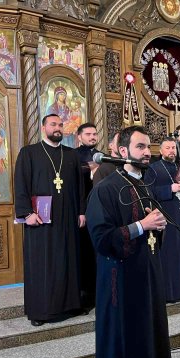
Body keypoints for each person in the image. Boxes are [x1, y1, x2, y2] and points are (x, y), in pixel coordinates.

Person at [85, 126, 173, 358]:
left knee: (150, 332)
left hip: (148, 274)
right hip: (120, 280)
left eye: (148, 147)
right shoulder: (105, 189)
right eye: (140, 147)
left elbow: (152, 229)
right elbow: (102, 239)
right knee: (125, 338)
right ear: (123, 151)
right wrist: (142, 226)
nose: (147, 152)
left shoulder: (146, 186)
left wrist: (159, 226)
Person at [14, 114, 85, 326]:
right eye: (53, 124)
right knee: (42, 264)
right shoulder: (29, 153)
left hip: (68, 216)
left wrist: (82, 211)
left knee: (68, 260)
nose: (58, 128)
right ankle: (40, 312)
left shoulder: (71, 155)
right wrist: (27, 214)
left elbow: (80, 187)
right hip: (40, 219)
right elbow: (20, 185)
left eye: (60, 125)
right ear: (43, 127)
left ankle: (70, 305)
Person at [146, 137, 180, 302]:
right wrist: (170, 188)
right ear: (160, 151)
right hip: (166, 218)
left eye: (173, 148)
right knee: (169, 255)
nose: (171, 151)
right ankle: (168, 294)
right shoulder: (153, 169)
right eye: (167, 148)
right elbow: (148, 192)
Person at [75, 123, 99, 310]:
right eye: (88, 134)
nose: (92, 136)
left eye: (94, 133)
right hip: (82, 211)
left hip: (100, 210)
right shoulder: (73, 156)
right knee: (83, 254)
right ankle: (84, 297)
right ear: (79, 137)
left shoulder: (102, 156)